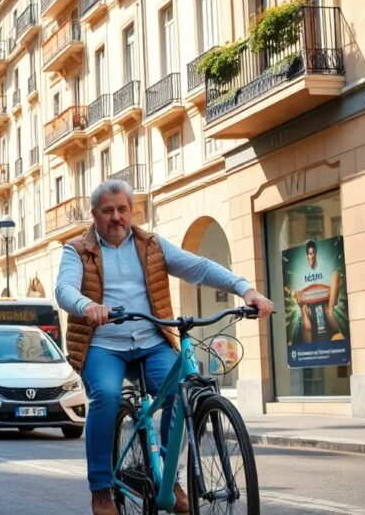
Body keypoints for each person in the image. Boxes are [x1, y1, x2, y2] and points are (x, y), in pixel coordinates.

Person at [54, 180, 274, 515]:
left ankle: (170, 476)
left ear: (132, 211)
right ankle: (101, 489)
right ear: (94, 214)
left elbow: (198, 267)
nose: (116, 217)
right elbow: (64, 289)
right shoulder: (77, 249)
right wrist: (87, 306)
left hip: (152, 341)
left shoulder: (151, 245)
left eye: (122, 209)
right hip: (103, 345)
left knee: (181, 390)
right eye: (108, 210)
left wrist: (246, 290)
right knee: (107, 396)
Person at [294, 239, 342, 343]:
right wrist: (303, 311)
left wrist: (330, 307)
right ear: (307, 255)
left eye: (313, 253)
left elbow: (335, 282)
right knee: (306, 326)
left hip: (324, 305)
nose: (312, 256)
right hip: (309, 307)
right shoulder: (303, 273)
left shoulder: (324, 269)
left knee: (330, 317)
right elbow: (297, 295)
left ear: (316, 253)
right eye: (309, 254)